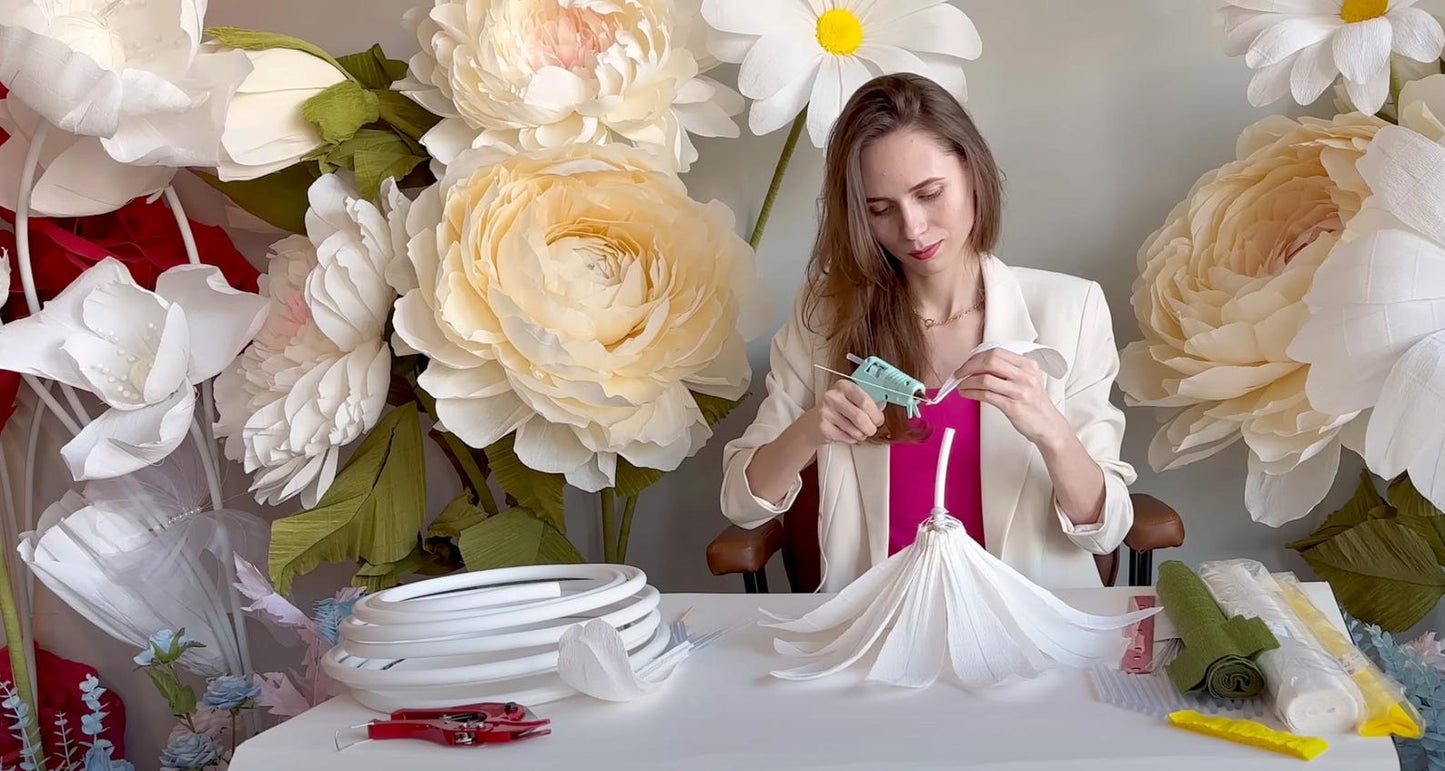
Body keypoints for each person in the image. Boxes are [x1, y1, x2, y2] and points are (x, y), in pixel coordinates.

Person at [719, 73, 1135, 592]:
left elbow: (1107, 530)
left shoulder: (1071, 310)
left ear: (973, 173)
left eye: (929, 193)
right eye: (880, 209)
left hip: (1024, 616)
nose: (912, 229)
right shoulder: (824, 315)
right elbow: (741, 504)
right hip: (879, 616)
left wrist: (1050, 428)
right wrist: (811, 429)